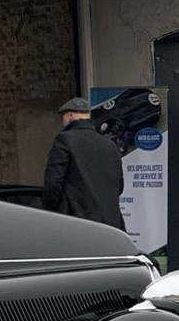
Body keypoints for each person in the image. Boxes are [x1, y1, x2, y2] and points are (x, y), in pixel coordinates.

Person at [42, 97, 126, 229]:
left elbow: (53, 184)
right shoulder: (110, 145)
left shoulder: (64, 140)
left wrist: (50, 211)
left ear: (69, 115)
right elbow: (119, 186)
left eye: (63, 117)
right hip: (112, 225)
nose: (63, 122)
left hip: (77, 222)